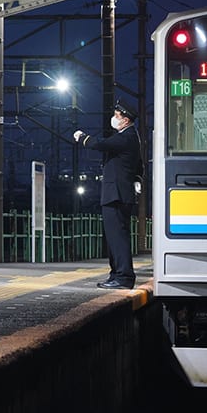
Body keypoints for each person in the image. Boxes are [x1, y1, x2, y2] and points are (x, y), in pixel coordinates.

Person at [73, 98, 143, 289]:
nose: (114, 118)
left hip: (117, 194)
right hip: (118, 193)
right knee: (114, 237)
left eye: (117, 115)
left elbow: (100, 144)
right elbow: (139, 167)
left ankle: (124, 277)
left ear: (126, 120)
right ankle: (116, 274)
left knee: (118, 237)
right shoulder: (131, 137)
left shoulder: (125, 137)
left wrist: (83, 138)